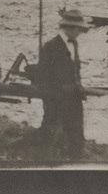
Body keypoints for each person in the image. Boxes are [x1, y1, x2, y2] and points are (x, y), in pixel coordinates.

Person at [35, 9, 90, 160]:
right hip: (56, 100)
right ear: (70, 28)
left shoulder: (75, 44)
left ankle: (75, 164)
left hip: (74, 98)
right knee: (48, 134)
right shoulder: (50, 47)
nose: (80, 33)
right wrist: (52, 98)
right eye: (79, 30)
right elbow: (42, 78)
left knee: (76, 138)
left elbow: (75, 71)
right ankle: (17, 149)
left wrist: (78, 88)